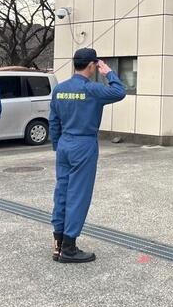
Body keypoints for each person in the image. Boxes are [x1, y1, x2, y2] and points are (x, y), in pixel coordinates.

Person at [50, 48, 126, 263]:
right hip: (83, 144)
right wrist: (108, 72)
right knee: (78, 195)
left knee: (62, 192)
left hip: (64, 143)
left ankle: (57, 243)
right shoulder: (92, 89)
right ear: (92, 65)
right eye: (96, 65)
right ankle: (69, 247)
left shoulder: (60, 89)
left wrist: (58, 145)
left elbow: (53, 120)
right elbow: (119, 91)